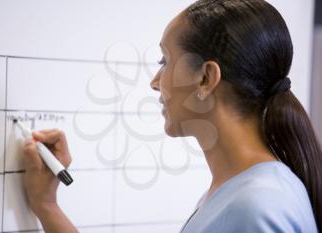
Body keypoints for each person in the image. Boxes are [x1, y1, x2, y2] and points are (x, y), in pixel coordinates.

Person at [22, 0, 321, 232]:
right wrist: (47, 205)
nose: (155, 81)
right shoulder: (243, 193)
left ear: (206, 78)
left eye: (165, 60)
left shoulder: (256, 208)